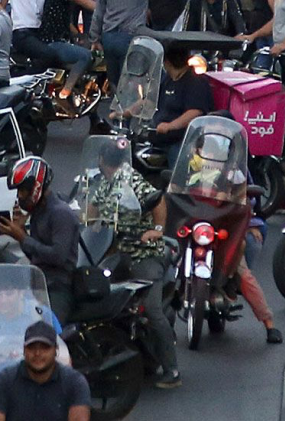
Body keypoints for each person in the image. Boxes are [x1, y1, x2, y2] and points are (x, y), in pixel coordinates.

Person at [84, 140, 180, 389]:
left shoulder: (132, 180)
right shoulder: (103, 184)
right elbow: (91, 210)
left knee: (152, 310)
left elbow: (158, 201)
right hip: (116, 255)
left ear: (102, 160)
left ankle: (172, 370)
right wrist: (84, 224)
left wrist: (157, 230)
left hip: (143, 254)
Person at [0, 156, 79, 325]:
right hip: (38, 282)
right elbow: (36, 255)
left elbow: (58, 256)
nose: (20, 196)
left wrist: (22, 237)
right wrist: (20, 233)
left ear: (36, 187)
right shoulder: (38, 212)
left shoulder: (60, 213)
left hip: (58, 286)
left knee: (48, 328)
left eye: (23, 190)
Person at [0, 319, 91, 421]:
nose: (37, 353)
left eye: (45, 347)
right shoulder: (3, 381)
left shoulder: (75, 382)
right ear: (24, 350)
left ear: (56, 350)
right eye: (31, 347)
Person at [152, 43, 211, 150]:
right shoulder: (167, 80)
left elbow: (194, 112)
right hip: (159, 137)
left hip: (182, 142)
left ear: (167, 62)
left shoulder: (196, 81)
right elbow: (152, 99)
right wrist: (128, 111)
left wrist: (170, 126)